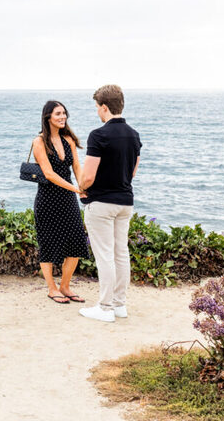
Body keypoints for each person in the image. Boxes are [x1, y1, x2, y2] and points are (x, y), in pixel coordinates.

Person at [78, 85, 141, 322]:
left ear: (104, 107)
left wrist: (82, 189)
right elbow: (132, 172)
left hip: (101, 204)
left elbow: (88, 176)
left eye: (97, 107)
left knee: (104, 255)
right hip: (125, 202)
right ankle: (119, 305)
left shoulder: (99, 135)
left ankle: (104, 308)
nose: (97, 112)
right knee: (120, 253)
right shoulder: (134, 135)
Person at [32, 100, 90, 304]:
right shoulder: (39, 142)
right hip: (47, 198)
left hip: (67, 199)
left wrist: (83, 186)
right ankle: (51, 288)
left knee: (76, 240)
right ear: (48, 117)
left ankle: (65, 286)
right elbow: (48, 173)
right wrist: (75, 188)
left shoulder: (68, 139)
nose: (62, 117)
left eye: (64, 113)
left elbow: (76, 166)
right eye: (58, 113)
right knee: (48, 243)